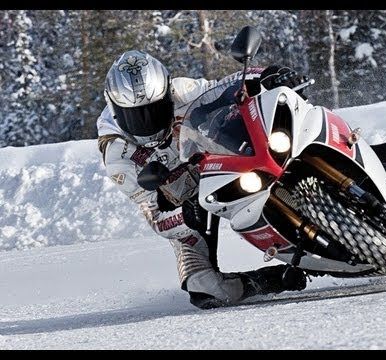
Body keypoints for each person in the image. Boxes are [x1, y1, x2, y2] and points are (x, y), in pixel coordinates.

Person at [96, 50, 310, 309]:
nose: (148, 123)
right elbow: (156, 218)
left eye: (155, 110)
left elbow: (227, 85)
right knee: (207, 290)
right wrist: (184, 214)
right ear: (115, 109)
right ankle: (277, 279)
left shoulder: (180, 91)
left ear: (166, 94)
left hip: (220, 160)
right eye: (136, 116)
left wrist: (268, 74)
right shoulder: (118, 154)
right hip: (184, 201)